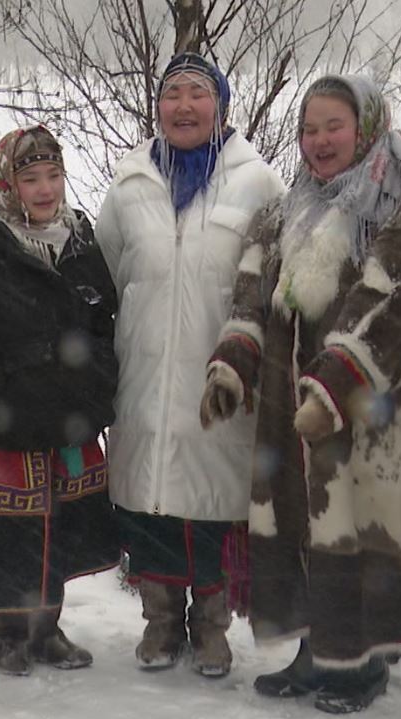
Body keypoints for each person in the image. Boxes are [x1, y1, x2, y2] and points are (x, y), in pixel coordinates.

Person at [202, 74, 401, 714]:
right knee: (305, 530)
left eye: (334, 126)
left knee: (367, 538)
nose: (319, 141)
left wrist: (340, 381)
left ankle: (362, 661)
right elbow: (251, 293)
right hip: (293, 413)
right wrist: (231, 365)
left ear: (368, 127)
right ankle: (316, 651)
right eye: (309, 129)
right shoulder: (286, 210)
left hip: (384, 415)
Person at [95, 53, 286, 678]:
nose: (182, 106)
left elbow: (274, 282)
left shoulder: (256, 184)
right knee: (151, 504)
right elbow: (107, 275)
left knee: (211, 505)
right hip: (144, 374)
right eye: (171, 93)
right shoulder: (129, 186)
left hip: (220, 380)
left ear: (221, 106)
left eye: (197, 94)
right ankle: (158, 621)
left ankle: (210, 626)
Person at [0, 125, 120, 675]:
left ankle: (47, 628)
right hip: (7, 427)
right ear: (6, 185)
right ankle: (4, 631)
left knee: (56, 528)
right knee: (5, 536)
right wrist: (1, 392)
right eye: (30, 178)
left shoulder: (80, 246)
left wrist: (95, 382)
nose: (45, 190)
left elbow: (105, 324)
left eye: (54, 176)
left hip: (66, 419)